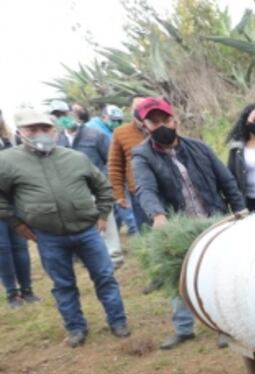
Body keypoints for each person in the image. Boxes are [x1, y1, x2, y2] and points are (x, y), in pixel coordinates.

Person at [0, 109, 129, 346]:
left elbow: (102, 186)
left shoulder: (75, 158)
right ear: (20, 132)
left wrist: (102, 214)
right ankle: (75, 328)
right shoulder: (6, 162)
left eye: (45, 128)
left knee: (105, 277)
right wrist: (15, 222)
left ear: (55, 130)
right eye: (32, 129)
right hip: (49, 237)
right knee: (63, 284)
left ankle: (118, 321)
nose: (40, 134)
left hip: (87, 231)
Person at [132, 97, 246, 350]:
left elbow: (226, 181)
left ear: (175, 120)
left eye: (165, 119)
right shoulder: (142, 156)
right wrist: (158, 215)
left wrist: (241, 211)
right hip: (178, 228)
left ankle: (223, 326)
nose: (161, 125)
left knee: (217, 275)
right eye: (154, 121)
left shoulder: (199, 148)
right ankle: (184, 328)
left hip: (212, 220)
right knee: (180, 274)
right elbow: (145, 189)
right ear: (144, 125)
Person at [53, 101, 125, 268]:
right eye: (58, 116)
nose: (62, 118)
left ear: (73, 113)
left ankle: (114, 257)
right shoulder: (58, 140)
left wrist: (107, 181)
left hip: (97, 185)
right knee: (85, 226)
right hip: (74, 191)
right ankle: (94, 258)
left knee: (106, 221)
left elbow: (111, 159)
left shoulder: (94, 134)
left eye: (64, 113)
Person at [0, 109, 39, 309]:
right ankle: (12, 294)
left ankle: (27, 289)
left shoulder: (9, 142)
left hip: (13, 202)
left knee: (20, 247)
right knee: (3, 249)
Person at [109, 96, 150, 231]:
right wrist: (119, 194)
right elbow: (115, 166)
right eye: (136, 108)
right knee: (146, 232)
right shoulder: (121, 132)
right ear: (132, 111)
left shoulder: (160, 126)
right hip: (138, 192)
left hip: (165, 188)